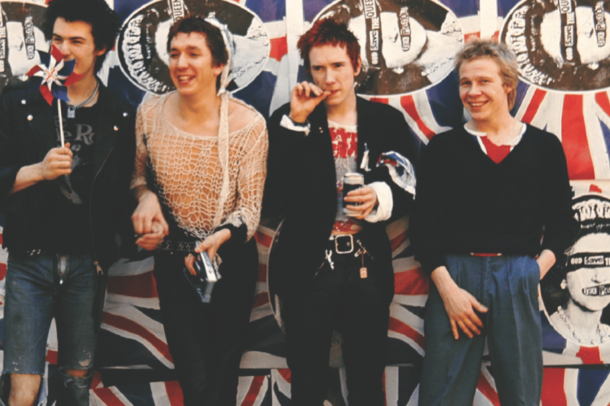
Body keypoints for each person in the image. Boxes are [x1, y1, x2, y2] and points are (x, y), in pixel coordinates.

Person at [410, 38, 577, 406]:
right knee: (443, 393)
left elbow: (563, 223)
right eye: (465, 83)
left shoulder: (543, 147)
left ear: (508, 85)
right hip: (454, 276)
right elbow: (423, 229)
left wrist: (533, 272)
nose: (473, 92)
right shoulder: (443, 148)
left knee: (522, 392)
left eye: (484, 81)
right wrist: (448, 291)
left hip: (517, 273)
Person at [263, 17, 419, 406]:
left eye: (338, 66)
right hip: (306, 266)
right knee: (307, 383)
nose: (329, 78)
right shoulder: (289, 117)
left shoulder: (384, 121)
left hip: (366, 264)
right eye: (318, 68)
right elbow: (273, 199)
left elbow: (411, 184)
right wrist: (296, 123)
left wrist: (380, 197)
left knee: (367, 382)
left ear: (357, 66)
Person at [0, 0, 135, 404]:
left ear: (100, 48)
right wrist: (37, 171)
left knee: (76, 384)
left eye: (76, 41)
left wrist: (123, 239)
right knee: (23, 388)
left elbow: (124, 192)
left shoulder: (118, 114)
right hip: (30, 261)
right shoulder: (19, 101)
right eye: (57, 39)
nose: (62, 50)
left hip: (86, 267)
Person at [130, 15, 267, 406]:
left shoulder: (249, 124)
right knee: (195, 381)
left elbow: (250, 208)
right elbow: (136, 177)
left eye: (193, 53)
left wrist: (219, 237)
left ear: (218, 64)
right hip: (175, 264)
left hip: (230, 262)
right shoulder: (149, 114)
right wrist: (145, 196)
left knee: (222, 381)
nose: (181, 63)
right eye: (174, 53)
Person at [545, 224, 610, 346]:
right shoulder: (545, 331)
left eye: (607, 263)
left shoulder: (607, 334)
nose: (600, 277)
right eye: (586, 264)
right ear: (563, 277)